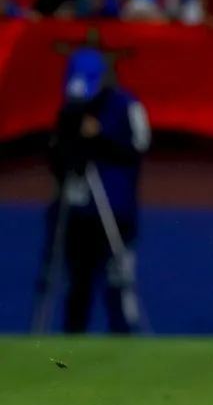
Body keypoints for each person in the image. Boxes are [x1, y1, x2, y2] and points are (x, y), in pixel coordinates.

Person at [42, 47, 150, 334]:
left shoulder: (126, 105)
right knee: (78, 281)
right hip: (77, 209)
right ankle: (71, 343)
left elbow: (137, 147)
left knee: (117, 281)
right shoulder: (70, 111)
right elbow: (57, 158)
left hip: (115, 208)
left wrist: (99, 136)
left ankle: (124, 337)